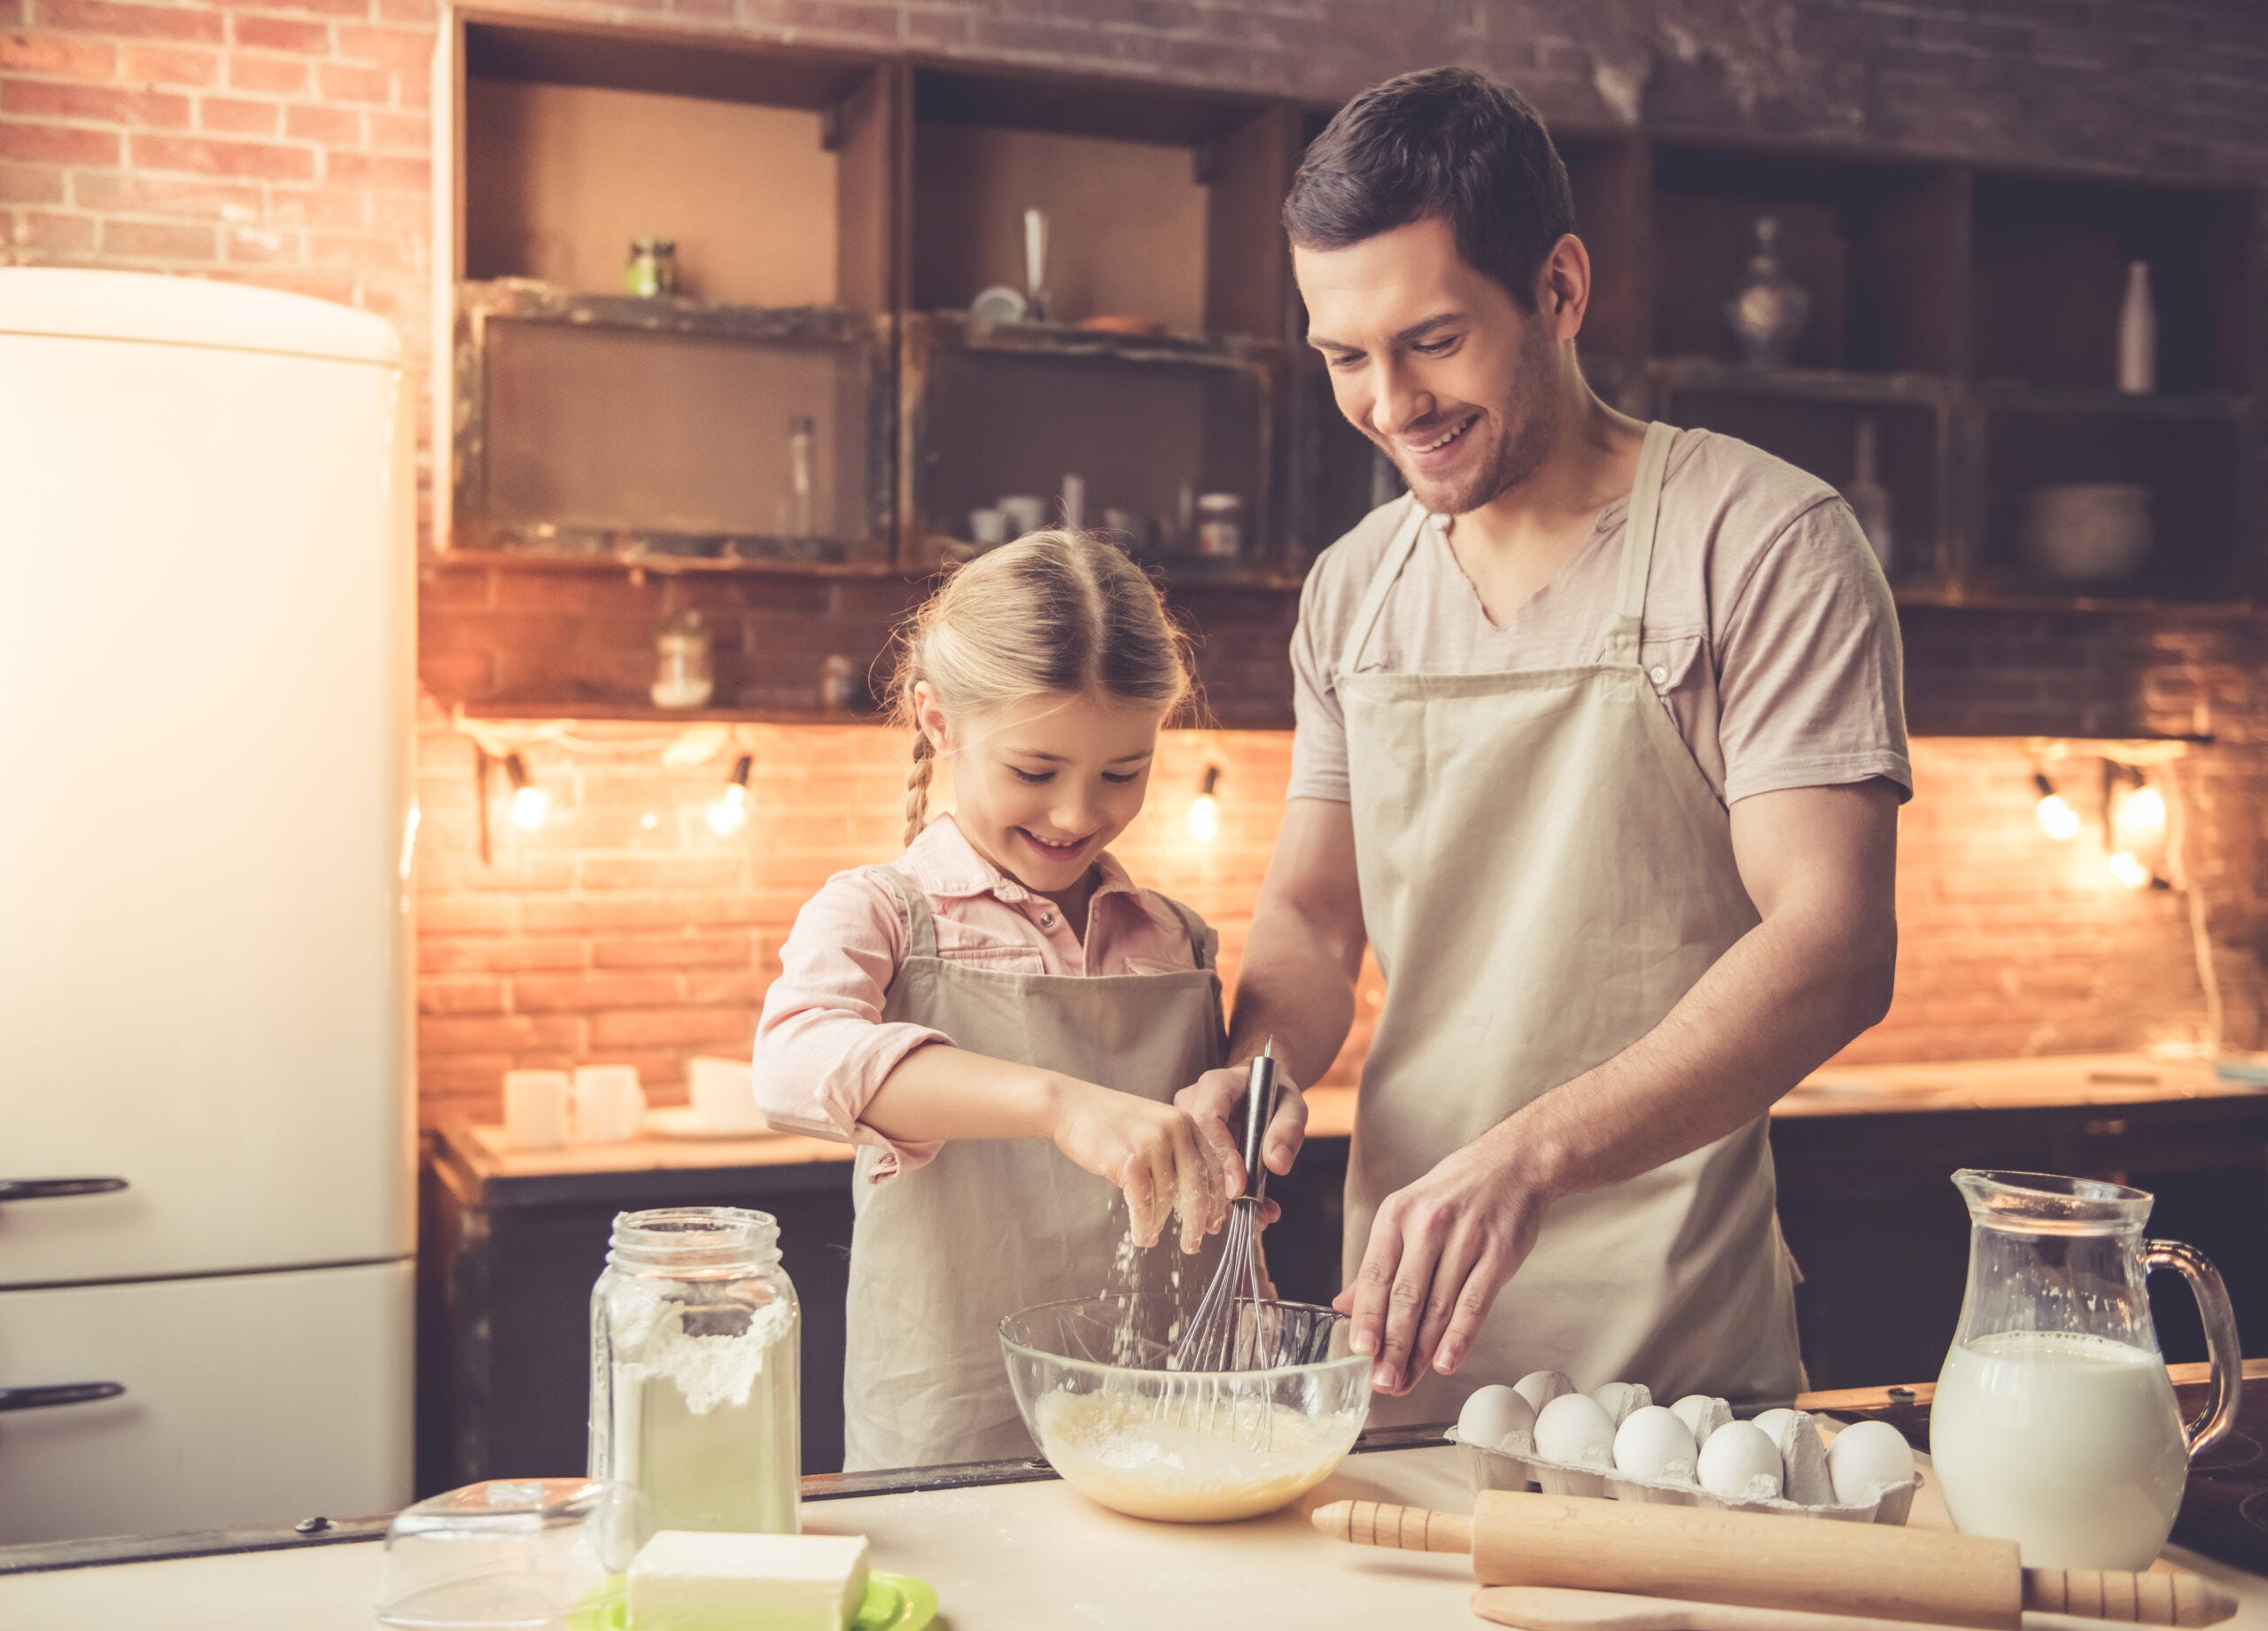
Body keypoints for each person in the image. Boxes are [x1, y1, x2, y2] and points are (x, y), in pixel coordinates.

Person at [1179, 66, 1910, 1424]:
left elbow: (1833, 944)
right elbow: (1313, 912)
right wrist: (1260, 1070)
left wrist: (1528, 1154)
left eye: (1434, 340)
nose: (1391, 403)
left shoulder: (1762, 542)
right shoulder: (1354, 586)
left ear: (1561, 291)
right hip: (1400, 1345)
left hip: (1679, 1376)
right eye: (1346, 356)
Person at [753, 532, 1235, 1471]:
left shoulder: (1176, 937)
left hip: (1162, 1417)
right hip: (946, 1425)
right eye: (1034, 770)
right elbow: (791, 1062)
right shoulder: (880, 912)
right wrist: (1058, 1101)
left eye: (1121, 773)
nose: (1075, 815)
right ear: (938, 723)